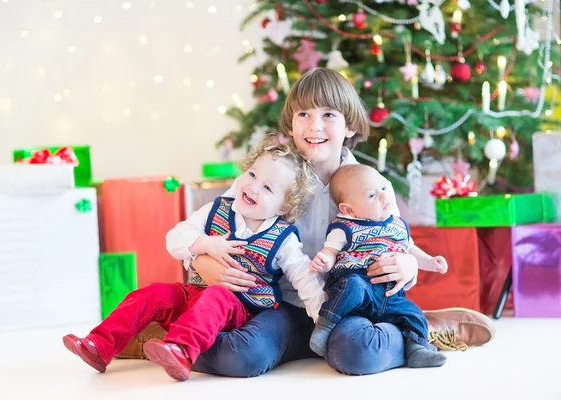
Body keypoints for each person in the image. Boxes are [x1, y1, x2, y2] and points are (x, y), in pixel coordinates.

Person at [175, 68, 496, 377]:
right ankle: (173, 337)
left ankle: (420, 332)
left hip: (349, 305)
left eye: (328, 115)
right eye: (304, 114)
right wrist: (201, 259)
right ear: (291, 124)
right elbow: (213, 225)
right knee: (240, 357)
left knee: (357, 353)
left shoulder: (371, 184)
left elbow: (397, 242)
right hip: (280, 306)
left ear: (350, 126)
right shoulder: (267, 175)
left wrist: (408, 266)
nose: (315, 125)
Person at [62, 136, 326, 381]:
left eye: (267, 187)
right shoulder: (218, 209)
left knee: (219, 295)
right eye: (252, 174)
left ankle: (182, 351)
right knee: (153, 293)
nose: (253, 187)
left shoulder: (283, 238)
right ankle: (100, 345)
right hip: (196, 291)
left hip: (240, 308)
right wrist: (205, 244)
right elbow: (174, 238)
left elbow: (305, 278)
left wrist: (321, 319)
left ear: (283, 206)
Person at [308, 164, 447, 369]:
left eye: (382, 189)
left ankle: (418, 348)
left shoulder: (396, 224)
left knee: (413, 312)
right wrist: (325, 260)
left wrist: (431, 263)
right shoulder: (346, 227)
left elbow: (411, 250)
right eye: (372, 196)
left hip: (390, 294)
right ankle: (325, 326)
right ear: (349, 209)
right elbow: (331, 250)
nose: (383, 196)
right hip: (360, 291)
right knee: (352, 286)